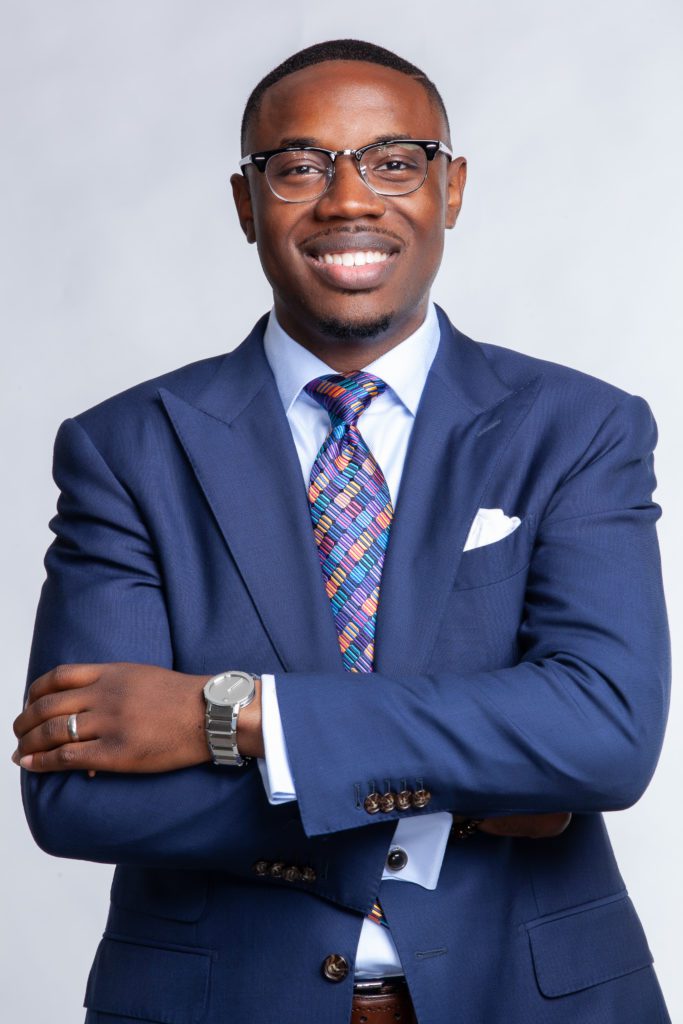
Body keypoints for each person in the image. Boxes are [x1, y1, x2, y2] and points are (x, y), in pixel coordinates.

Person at [13, 38, 671, 1024]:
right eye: (299, 166)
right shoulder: (124, 449)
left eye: (393, 161)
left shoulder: (576, 427)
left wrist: (231, 717)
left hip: (532, 998)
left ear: (448, 189)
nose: (347, 199)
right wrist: (464, 790)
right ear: (247, 202)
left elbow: (605, 735)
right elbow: (80, 793)